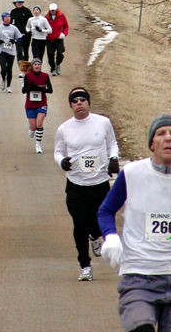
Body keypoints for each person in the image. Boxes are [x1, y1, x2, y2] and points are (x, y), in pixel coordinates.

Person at [98, 113, 171, 332]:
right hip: (139, 276)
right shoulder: (132, 174)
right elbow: (105, 210)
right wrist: (111, 237)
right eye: (161, 134)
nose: (168, 138)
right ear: (152, 144)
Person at [54, 87, 120, 282]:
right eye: (75, 101)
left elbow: (112, 144)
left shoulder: (103, 122)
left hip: (99, 183)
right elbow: (57, 152)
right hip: (76, 184)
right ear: (71, 105)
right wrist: (62, 162)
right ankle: (85, 266)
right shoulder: (64, 128)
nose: (79, 103)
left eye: (83, 99)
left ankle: (94, 236)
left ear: (89, 102)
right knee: (79, 226)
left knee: (97, 224)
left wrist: (114, 158)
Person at [22, 58, 53, 153]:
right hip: (30, 104)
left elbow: (50, 90)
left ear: (41, 66)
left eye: (38, 64)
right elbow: (23, 91)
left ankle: (38, 145)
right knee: (33, 127)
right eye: (35, 64)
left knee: (39, 123)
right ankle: (31, 129)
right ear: (32, 66)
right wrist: (30, 88)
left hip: (41, 103)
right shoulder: (27, 76)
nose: (37, 66)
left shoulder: (45, 76)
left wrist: (41, 89)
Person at [0, 12, 23, 93]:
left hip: (11, 52)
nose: (8, 18)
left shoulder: (13, 28)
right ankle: (3, 80)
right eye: (6, 17)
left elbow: (20, 38)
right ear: (3, 19)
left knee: (9, 69)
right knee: (4, 68)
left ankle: (8, 86)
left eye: (9, 17)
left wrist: (14, 40)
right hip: (2, 51)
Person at [10, 0, 33, 76]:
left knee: (26, 51)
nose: (19, 4)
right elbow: (10, 22)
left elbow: (32, 21)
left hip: (26, 34)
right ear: (15, 3)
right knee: (19, 52)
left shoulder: (27, 11)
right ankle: (21, 69)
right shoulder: (13, 12)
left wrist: (30, 29)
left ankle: (26, 69)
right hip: (17, 35)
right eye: (18, 2)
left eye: (21, 2)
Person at [45, 3, 69, 76]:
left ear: (56, 10)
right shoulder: (46, 17)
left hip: (59, 39)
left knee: (60, 53)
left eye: (54, 10)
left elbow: (66, 26)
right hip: (49, 39)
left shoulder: (61, 16)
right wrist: (44, 33)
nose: (53, 11)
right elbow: (43, 26)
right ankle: (53, 68)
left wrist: (64, 34)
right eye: (51, 10)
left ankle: (58, 64)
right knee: (50, 55)